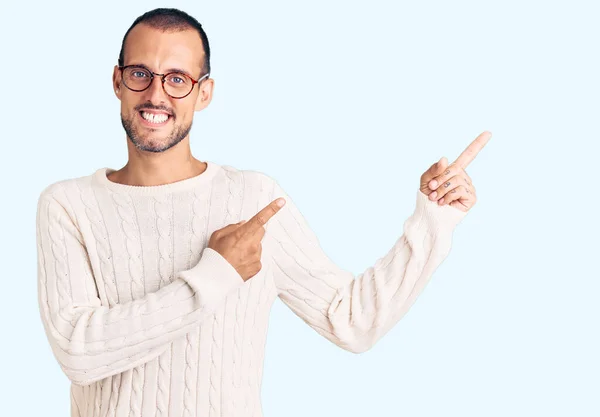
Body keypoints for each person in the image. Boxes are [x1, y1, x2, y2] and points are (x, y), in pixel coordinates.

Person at [36, 7, 490, 417]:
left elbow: (351, 322)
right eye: (141, 73)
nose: (157, 94)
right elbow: (79, 354)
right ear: (117, 81)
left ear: (204, 92)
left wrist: (432, 222)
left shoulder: (252, 198)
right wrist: (216, 273)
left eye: (177, 79)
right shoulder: (68, 204)